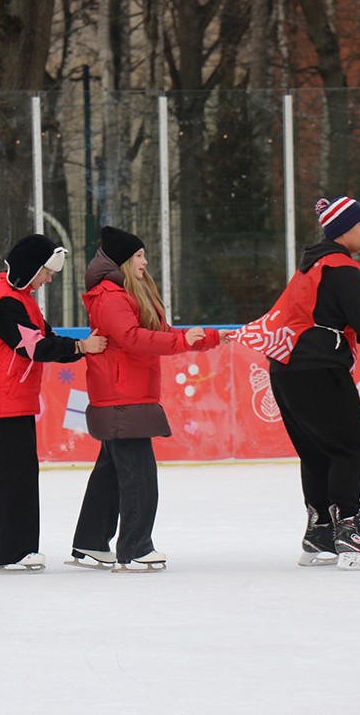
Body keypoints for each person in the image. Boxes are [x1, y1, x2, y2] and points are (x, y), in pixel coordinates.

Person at [232, 196, 360, 570]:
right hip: (317, 368)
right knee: (351, 449)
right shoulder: (342, 268)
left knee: (317, 452)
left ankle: (321, 531)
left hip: (285, 369)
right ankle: (350, 530)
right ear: (343, 227)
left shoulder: (310, 267)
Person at [67, 226, 228, 573]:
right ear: (124, 260)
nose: (145, 261)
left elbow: (159, 332)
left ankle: (91, 541)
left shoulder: (126, 292)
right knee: (139, 476)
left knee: (110, 474)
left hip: (125, 394)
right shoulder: (111, 296)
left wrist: (208, 338)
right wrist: (184, 343)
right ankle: (136, 548)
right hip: (122, 396)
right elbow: (132, 338)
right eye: (139, 255)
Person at [0, 234, 106, 572]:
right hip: (2, 401)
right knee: (10, 478)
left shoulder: (23, 298)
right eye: (45, 272)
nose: (48, 279)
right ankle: (11, 551)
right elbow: (33, 347)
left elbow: (47, 338)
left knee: (22, 474)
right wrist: (80, 348)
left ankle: (22, 548)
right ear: (29, 269)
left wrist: (80, 347)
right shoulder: (6, 302)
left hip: (16, 399)